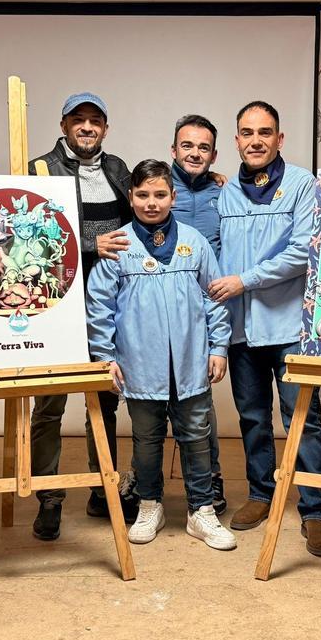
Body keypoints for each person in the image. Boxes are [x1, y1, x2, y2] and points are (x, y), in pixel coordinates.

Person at [86, 160, 236, 550]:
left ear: (172, 196)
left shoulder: (194, 241)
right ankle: (150, 505)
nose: (151, 203)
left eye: (159, 195)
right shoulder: (118, 245)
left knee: (197, 438)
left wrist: (218, 346)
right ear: (131, 198)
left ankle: (201, 511)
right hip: (139, 365)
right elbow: (99, 306)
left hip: (190, 362)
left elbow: (215, 297)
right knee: (146, 440)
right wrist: (106, 355)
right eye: (142, 195)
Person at [210, 101, 321, 556]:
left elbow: (304, 252)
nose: (256, 140)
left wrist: (245, 280)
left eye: (265, 132)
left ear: (280, 139)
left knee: (304, 420)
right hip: (242, 329)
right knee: (253, 418)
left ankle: (315, 510)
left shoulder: (304, 185)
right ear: (237, 140)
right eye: (247, 133)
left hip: (288, 327)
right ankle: (261, 494)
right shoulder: (225, 193)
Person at [27, 92, 138, 540]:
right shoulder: (39, 170)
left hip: (106, 305)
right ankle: (49, 498)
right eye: (79, 119)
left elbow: (146, 215)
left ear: (105, 128)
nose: (87, 127)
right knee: (49, 405)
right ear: (64, 124)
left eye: (96, 120)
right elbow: (29, 237)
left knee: (104, 401)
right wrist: (92, 246)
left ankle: (101, 489)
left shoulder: (117, 170)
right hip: (54, 304)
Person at [168, 113, 227, 513]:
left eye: (203, 147)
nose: (194, 153)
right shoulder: (154, 186)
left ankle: (210, 479)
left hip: (203, 307)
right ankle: (146, 478)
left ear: (214, 154)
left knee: (199, 400)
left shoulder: (226, 192)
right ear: (173, 150)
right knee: (152, 399)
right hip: (154, 305)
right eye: (187, 145)